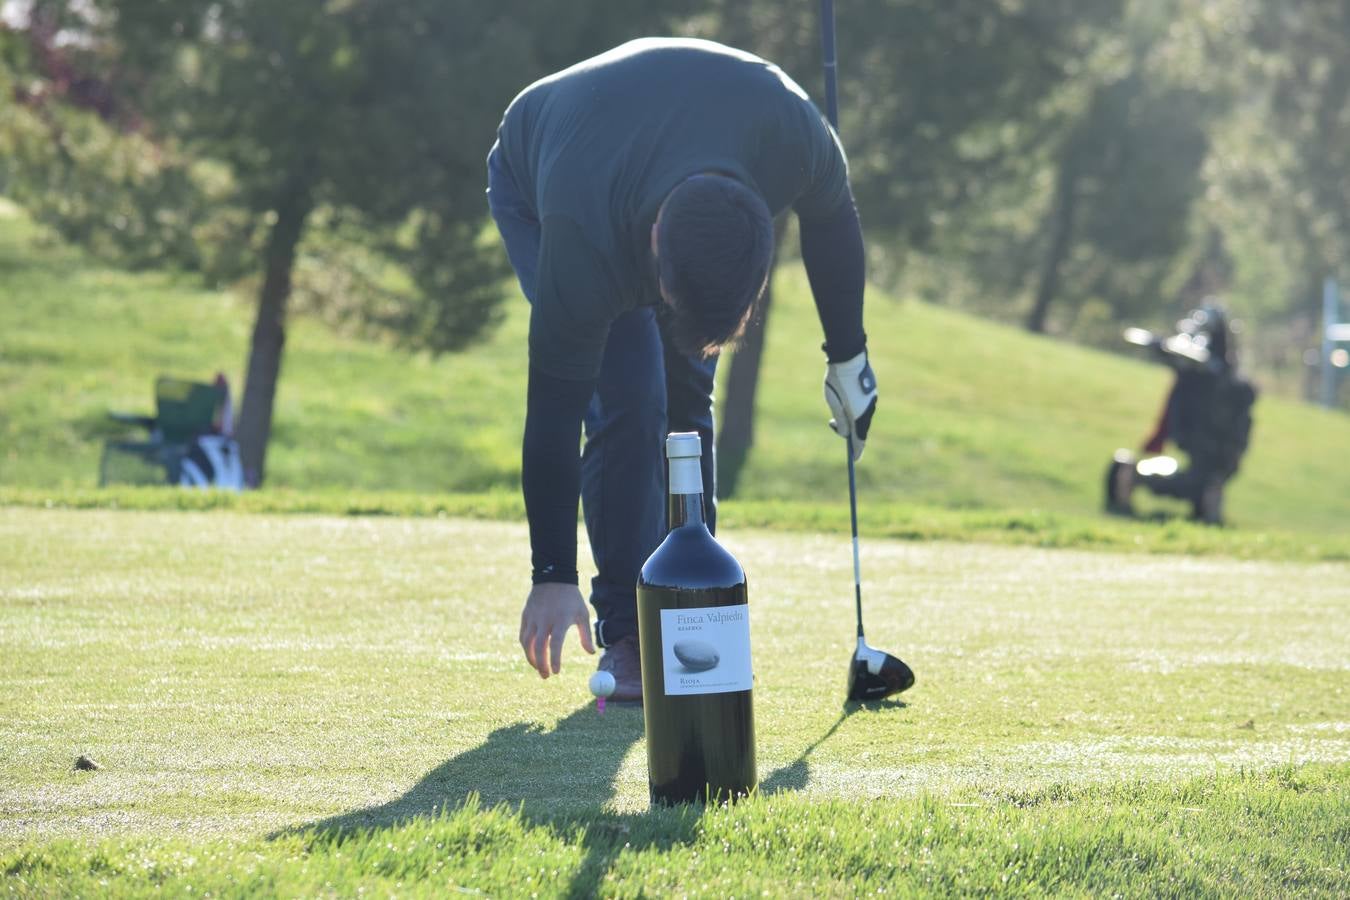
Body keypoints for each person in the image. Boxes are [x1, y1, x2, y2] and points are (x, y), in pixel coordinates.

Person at [486, 38, 878, 702]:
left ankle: (692, 613)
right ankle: (630, 635)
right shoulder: (585, 241)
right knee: (631, 397)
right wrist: (551, 573)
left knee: (686, 406)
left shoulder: (793, 138)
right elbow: (552, 414)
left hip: (671, 132)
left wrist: (850, 356)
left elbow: (834, 219)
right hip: (544, 163)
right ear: (656, 249)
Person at [1107, 302, 1256, 524]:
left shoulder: (1232, 386)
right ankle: (1125, 487)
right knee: (1128, 464)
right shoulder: (1191, 374)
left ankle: (1206, 502)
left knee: (1204, 479)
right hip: (1189, 439)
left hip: (1213, 455)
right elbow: (1171, 351)